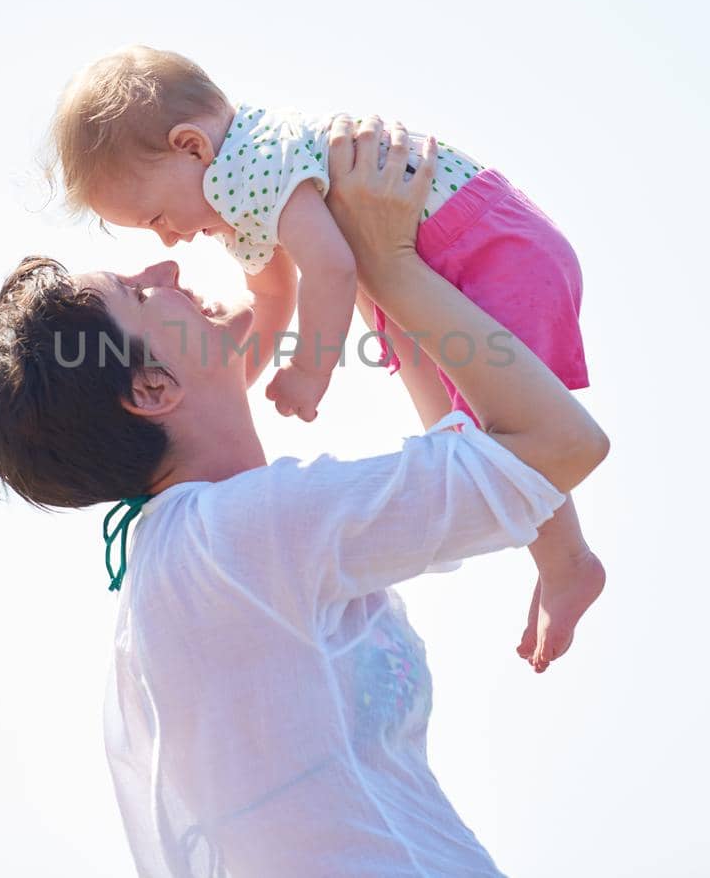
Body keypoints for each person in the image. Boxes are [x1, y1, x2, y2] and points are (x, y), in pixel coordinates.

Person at [0, 117, 610, 875]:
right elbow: (558, 447)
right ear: (153, 389)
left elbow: (480, 448)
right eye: (138, 292)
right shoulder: (230, 539)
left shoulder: (209, 547)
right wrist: (385, 263)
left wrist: (380, 277)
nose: (165, 269)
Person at [43, 45, 602, 671]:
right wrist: (233, 379)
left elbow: (331, 269)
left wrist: (311, 370)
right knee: (462, 433)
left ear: (191, 147)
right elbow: (271, 292)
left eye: (157, 217)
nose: (169, 240)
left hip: (485, 247)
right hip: (447, 255)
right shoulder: (241, 184)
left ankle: (568, 563)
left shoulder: (249, 168)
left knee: (501, 438)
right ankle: (565, 561)